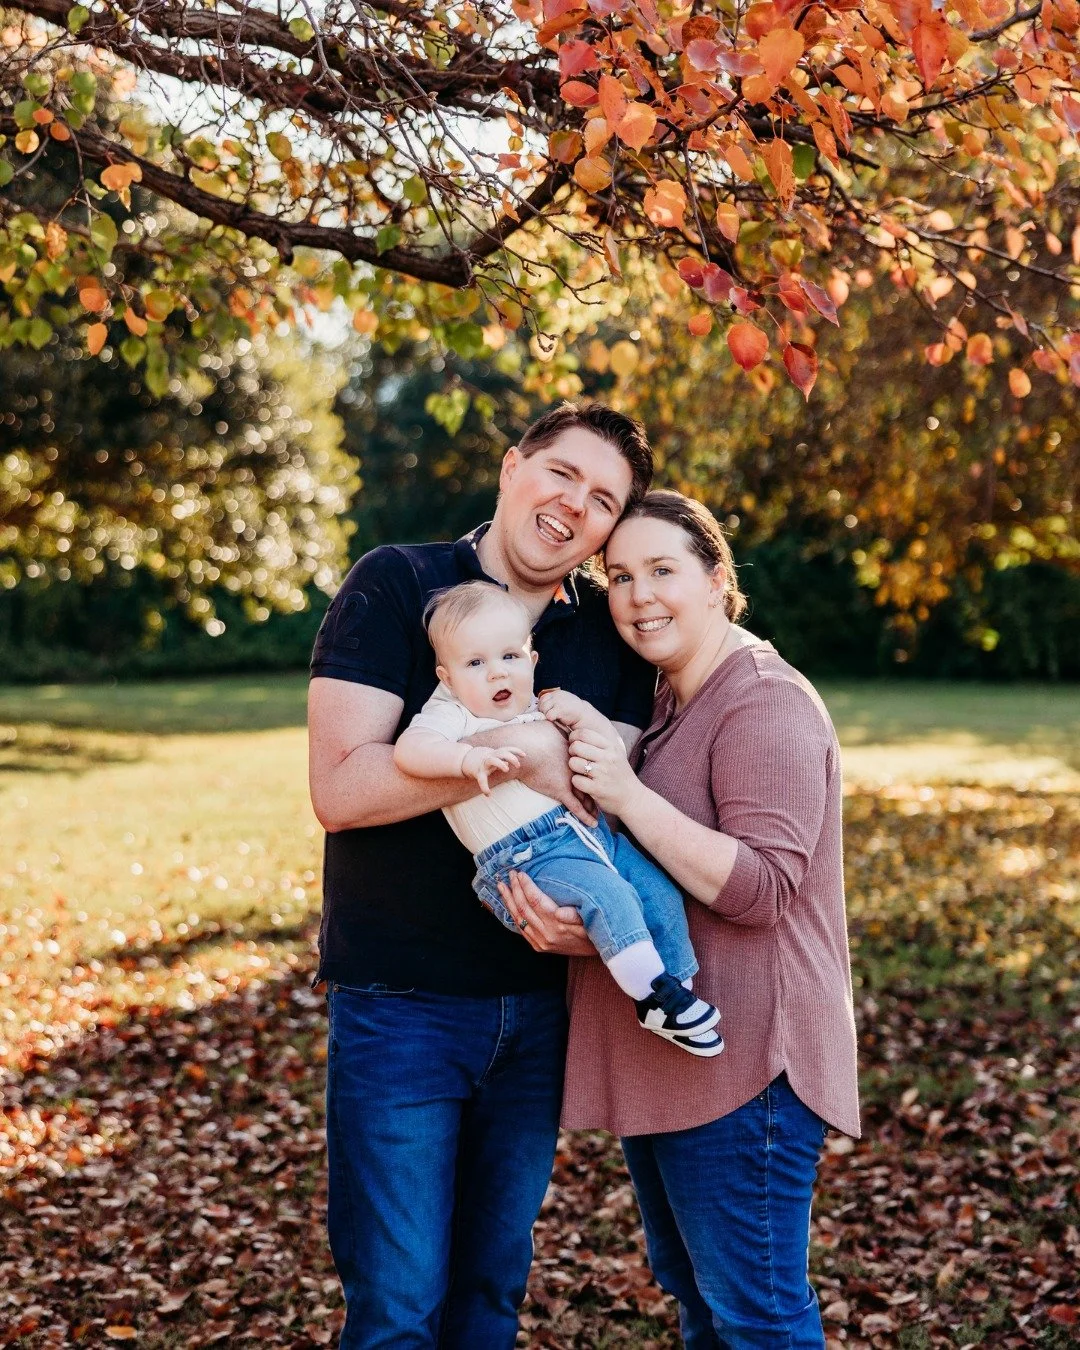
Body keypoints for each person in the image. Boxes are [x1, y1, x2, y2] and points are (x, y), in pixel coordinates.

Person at [306, 403, 658, 1349]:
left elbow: (601, 801)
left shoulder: (606, 636)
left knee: (490, 1297)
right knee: (396, 1309)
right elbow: (341, 788)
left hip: (540, 1007)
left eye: (601, 500)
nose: (572, 506)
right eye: (560, 474)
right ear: (512, 468)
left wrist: (510, 759)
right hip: (401, 1003)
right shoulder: (400, 583)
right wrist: (519, 750)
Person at [500, 489, 861, 1349]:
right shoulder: (671, 700)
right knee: (705, 1307)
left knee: (755, 1316)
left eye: (662, 570)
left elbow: (765, 888)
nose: (638, 596)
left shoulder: (763, 701)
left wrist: (623, 792)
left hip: (747, 1070)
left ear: (715, 579)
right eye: (619, 575)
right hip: (683, 1067)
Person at [392, 580, 723, 1054]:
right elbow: (410, 750)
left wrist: (581, 711)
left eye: (509, 657)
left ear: (531, 659)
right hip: (524, 857)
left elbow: (604, 744)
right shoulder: (452, 715)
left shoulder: (536, 703)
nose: (495, 675)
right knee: (609, 897)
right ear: (447, 677)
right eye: (475, 663)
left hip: (588, 837)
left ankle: (680, 993)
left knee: (656, 892)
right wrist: (465, 761)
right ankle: (652, 996)